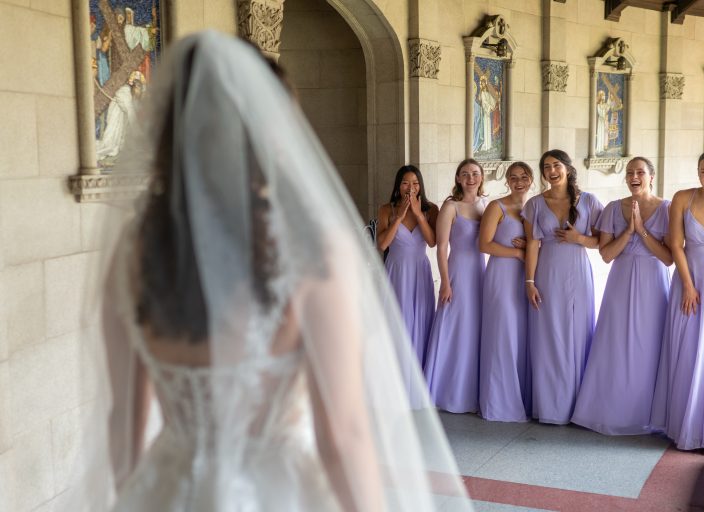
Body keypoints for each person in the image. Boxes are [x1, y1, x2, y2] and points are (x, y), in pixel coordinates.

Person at [58, 31, 471, 512]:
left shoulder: (136, 247)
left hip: (169, 488)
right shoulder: (314, 246)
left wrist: (141, 492)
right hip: (278, 490)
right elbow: (344, 436)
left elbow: (124, 421)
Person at [571, 157, 672, 435]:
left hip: (653, 283)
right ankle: (610, 410)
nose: (634, 176)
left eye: (640, 172)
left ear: (651, 176)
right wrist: (629, 231)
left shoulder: (667, 209)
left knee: (649, 343)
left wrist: (642, 231)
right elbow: (605, 255)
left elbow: (668, 258)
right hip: (621, 280)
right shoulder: (615, 208)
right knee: (615, 340)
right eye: (630, 173)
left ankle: (647, 414)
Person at [651, 148, 704, 450]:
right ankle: (685, 428)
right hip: (688, 283)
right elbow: (676, 245)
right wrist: (688, 286)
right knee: (687, 351)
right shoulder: (682, 198)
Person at [522, 149, 603, 425]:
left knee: (577, 334)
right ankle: (549, 408)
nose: (551, 171)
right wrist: (529, 281)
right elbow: (532, 244)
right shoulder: (534, 204)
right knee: (549, 336)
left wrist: (579, 237)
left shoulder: (589, 201)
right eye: (546, 167)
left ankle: (577, 407)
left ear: (568, 168)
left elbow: (602, 242)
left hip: (578, 273)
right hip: (547, 273)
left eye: (556, 165)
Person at [423, 159, 487, 413]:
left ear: (481, 177)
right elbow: (441, 248)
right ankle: (445, 390)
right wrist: (446, 283)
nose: (470, 178)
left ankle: (471, 390)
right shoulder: (451, 206)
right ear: (458, 178)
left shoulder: (486, 204)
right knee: (454, 326)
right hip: (458, 270)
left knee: (475, 327)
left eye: (475, 173)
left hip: (480, 272)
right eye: (465, 174)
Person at [478, 162, 533, 422]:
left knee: (521, 336)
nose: (518, 181)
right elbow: (484, 245)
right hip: (501, 277)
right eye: (513, 177)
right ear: (507, 181)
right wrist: (518, 252)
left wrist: (531, 248)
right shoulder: (496, 207)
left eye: (523, 177)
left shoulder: (535, 208)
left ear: (531, 179)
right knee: (503, 334)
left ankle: (522, 397)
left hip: (525, 278)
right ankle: (499, 402)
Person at [376, 166, 438, 388]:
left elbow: (432, 241)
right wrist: (399, 216)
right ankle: (394, 381)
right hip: (396, 272)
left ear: (420, 185)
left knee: (419, 320)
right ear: (397, 186)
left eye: (415, 183)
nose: (410, 188)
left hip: (419, 272)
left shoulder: (431, 210)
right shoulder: (386, 210)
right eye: (405, 183)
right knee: (397, 320)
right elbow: (382, 244)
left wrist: (419, 215)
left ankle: (418, 382)